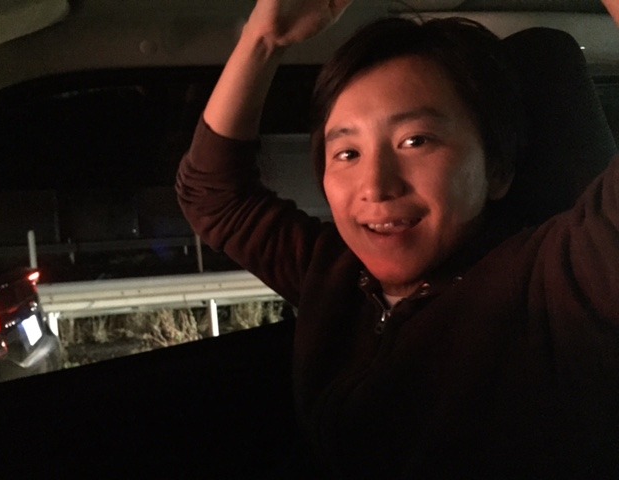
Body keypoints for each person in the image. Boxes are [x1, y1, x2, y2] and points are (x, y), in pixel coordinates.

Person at [176, 0, 619, 477]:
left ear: (496, 170)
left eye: (415, 141)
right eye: (347, 153)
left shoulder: (558, 285)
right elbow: (212, 197)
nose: (375, 186)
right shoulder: (333, 273)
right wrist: (263, 40)